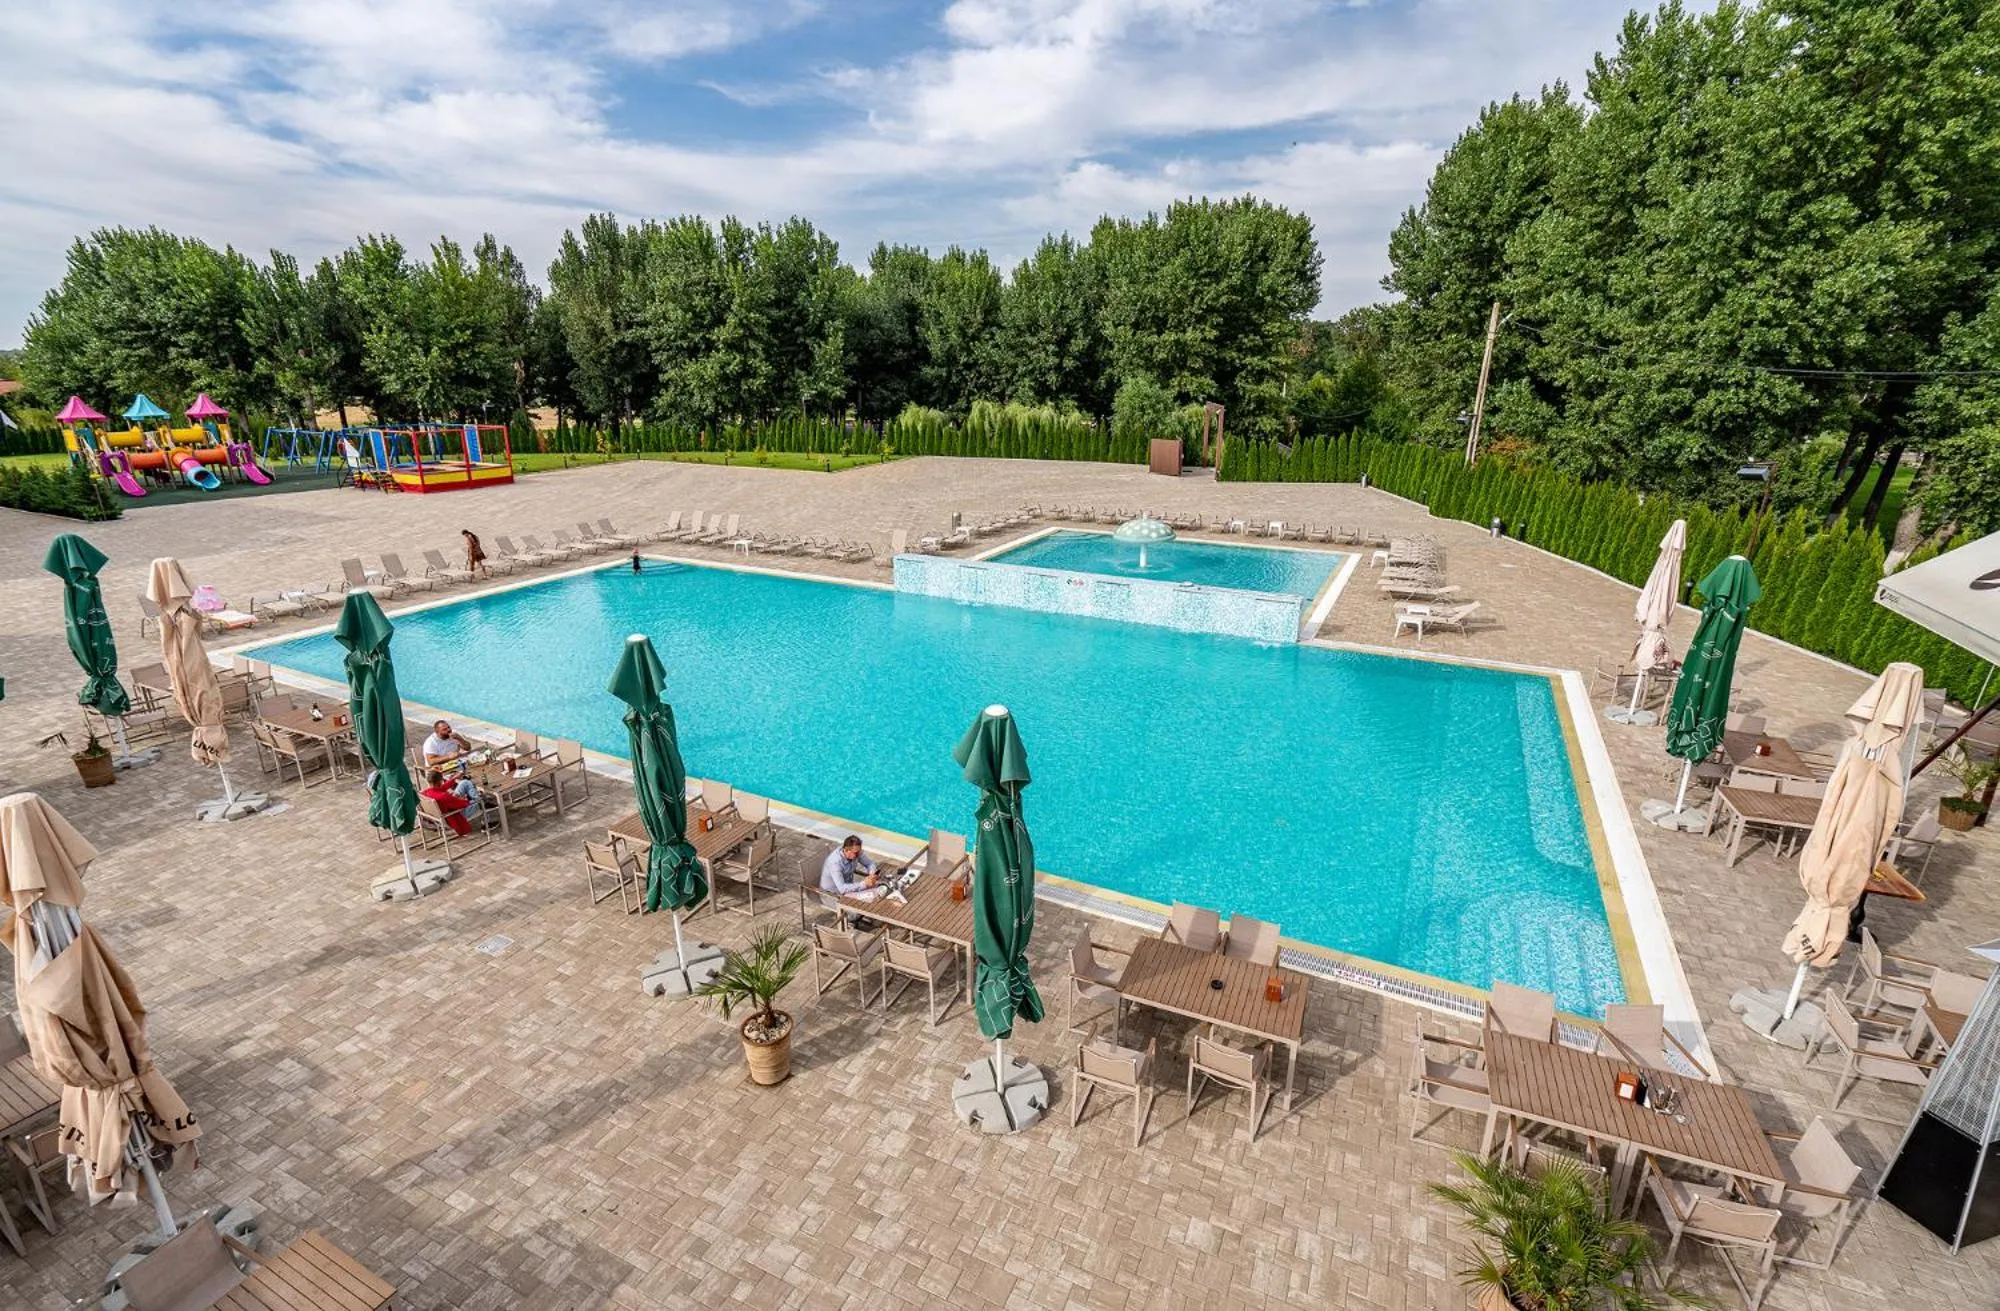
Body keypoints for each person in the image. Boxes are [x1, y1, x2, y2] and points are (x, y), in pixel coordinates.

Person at [420, 768, 483, 836]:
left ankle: (476, 796)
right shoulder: (443, 796)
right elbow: (463, 804)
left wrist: (455, 778)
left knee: (464, 783)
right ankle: (482, 802)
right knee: (480, 801)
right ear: (440, 781)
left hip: (441, 814)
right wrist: (464, 799)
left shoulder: (425, 793)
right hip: (454, 815)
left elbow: (441, 788)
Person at [819, 836, 882, 900]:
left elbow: (869, 863)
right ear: (846, 850)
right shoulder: (835, 864)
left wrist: (872, 874)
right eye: (856, 852)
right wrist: (864, 884)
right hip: (833, 895)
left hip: (849, 889)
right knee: (872, 898)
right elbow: (842, 889)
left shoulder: (855, 852)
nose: (859, 854)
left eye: (860, 851)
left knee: (879, 890)